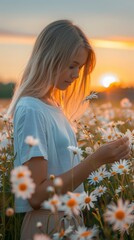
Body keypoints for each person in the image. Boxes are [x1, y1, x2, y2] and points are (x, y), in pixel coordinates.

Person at [7, 19, 130, 239]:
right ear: (49, 58)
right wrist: (96, 160)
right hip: (47, 223)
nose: (76, 75)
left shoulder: (53, 107)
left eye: (80, 68)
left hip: (68, 219)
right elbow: (36, 196)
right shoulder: (32, 109)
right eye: (72, 65)